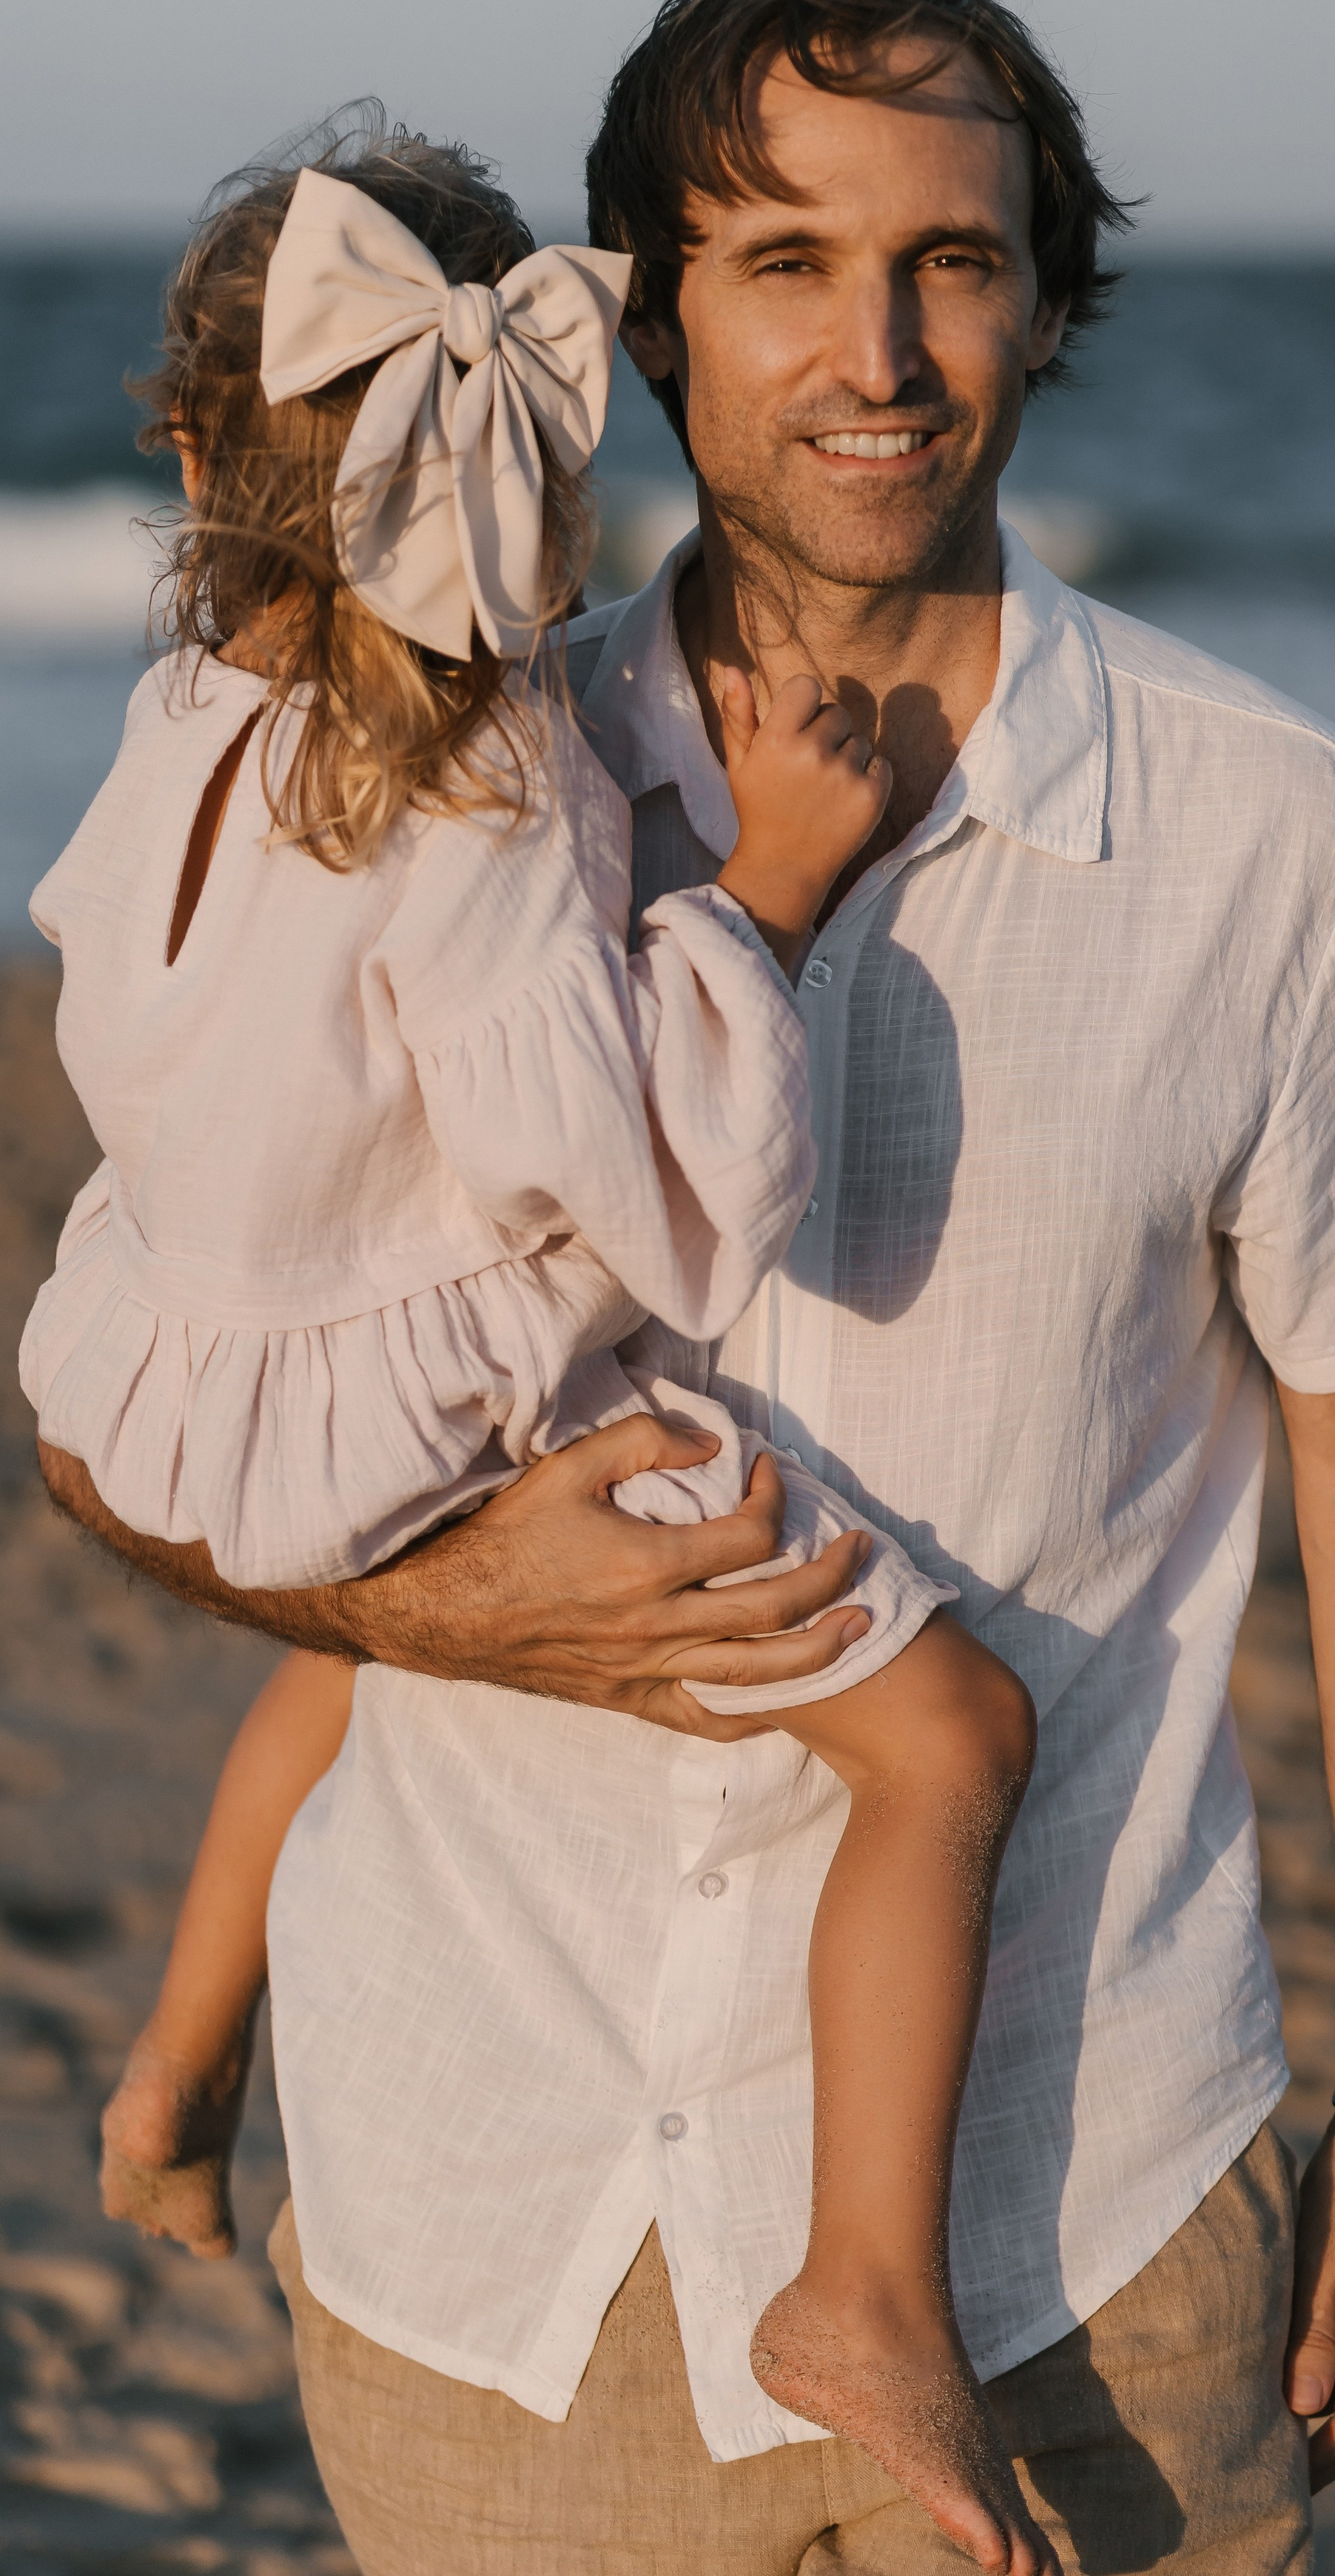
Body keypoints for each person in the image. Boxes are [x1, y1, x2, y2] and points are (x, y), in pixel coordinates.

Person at [41, 0, 1335, 2575]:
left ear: (1049, 308)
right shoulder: (416, 776)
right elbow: (150, 1405)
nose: (879, 350)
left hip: (1078, 2238)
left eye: (955, 260)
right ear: (639, 321)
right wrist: (422, 1618)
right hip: (483, 2248)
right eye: (786, 261)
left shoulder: (1271, 832)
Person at [22, 126, 1060, 2575]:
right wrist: (770, 891)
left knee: (371, 1653)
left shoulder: (198, 702)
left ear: (189, 452)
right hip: (423, 1382)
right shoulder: (476, 769)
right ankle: (868, 2287)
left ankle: (172, 2068)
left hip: (192, 1352)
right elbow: (654, 1191)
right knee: (949, 1743)